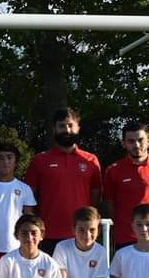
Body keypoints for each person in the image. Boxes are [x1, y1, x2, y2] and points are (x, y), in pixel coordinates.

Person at [25, 108, 102, 254]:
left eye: (70, 125)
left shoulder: (91, 160)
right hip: (48, 234)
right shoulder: (39, 160)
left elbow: (96, 196)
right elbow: (29, 197)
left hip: (82, 234)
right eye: (61, 126)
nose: (66, 130)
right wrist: (34, 227)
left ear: (78, 128)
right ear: (54, 129)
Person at [103, 122, 149, 249]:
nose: (136, 145)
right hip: (125, 237)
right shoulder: (113, 170)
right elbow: (110, 204)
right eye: (131, 141)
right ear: (124, 143)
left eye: (140, 140)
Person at [0, 143, 36, 265]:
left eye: (9, 157)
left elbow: (29, 220)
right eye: (0, 158)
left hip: (17, 248)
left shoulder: (25, 188)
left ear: (16, 162)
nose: (5, 162)